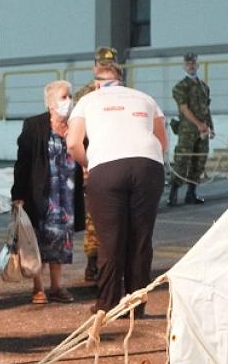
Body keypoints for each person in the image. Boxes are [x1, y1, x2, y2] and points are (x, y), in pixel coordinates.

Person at [66, 62, 168, 315]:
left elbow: (72, 143)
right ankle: (136, 305)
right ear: (122, 80)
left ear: (97, 82)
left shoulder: (89, 100)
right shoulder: (146, 98)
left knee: (110, 240)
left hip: (107, 168)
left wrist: (88, 164)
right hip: (148, 167)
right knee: (140, 239)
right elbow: (162, 142)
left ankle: (108, 303)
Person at [10, 80, 84, 305]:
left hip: (67, 195)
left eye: (70, 96)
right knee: (38, 240)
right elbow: (22, 162)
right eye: (63, 97)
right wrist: (18, 193)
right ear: (50, 103)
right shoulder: (34, 126)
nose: (69, 101)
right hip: (41, 193)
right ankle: (38, 287)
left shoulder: (76, 125)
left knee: (62, 240)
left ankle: (57, 286)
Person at [72, 46, 118, 283]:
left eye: (109, 65)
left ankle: (110, 262)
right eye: (102, 65)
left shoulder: (124, 93)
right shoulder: (84, 95)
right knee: (94, 215)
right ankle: (92, 262)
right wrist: (83, 161)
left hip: (117, 158)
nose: (105, 69)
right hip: (93, 159)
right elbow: (76, 131)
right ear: (94, 68)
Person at [168, 52, 213, 207]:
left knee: (199, 161)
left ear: (198, 65)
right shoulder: (180, 87)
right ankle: (173, 193)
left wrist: (210, 127)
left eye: (193, 63)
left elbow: (206, 109)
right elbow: (184, 108)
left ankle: (191, 193)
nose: (191, 66)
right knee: (182, 161)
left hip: (202, 131)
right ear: (183, 66)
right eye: (188, 64)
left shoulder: (204, 87)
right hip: (187, 131)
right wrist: (199, 124)